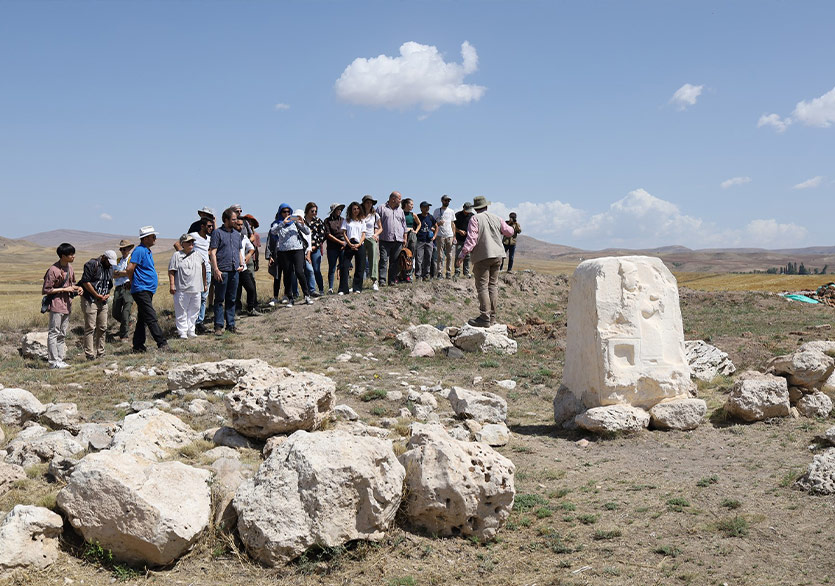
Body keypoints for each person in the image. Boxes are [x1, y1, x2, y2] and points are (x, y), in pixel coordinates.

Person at [456, 196, 516, 327]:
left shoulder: (475, 218)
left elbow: (471, 240)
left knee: (482, 287)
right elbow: (510, 232)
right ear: (486, 206)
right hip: (498, 255)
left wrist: (462, 254)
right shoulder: (497, 218)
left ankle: (484, 317)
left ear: (476, 208)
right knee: (493, 286)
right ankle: (492, 317)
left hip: (483, 256)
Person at [128, 226, 170, 352]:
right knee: (151, 316)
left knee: (143, 318)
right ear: (145, 238)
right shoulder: (139, 251)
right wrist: (132, 281)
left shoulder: (146, 250)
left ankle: (138, 345)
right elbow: (130, 268)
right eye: (153, 236)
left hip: (146, 289)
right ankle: (162, 343)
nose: (155, 239)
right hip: (141, 289)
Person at [42, 243, 83, 368]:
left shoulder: (70, 268)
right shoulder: (53, 270)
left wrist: (79, 288)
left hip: (67, 304)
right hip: (56, 304)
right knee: (54, 332)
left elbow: (72, 284)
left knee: (62, 333)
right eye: (71, 254)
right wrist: (65, 290)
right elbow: (46, 290)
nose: (73, 256)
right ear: (63, 256)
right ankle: (53, 362)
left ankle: (60, 359)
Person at [209, 207, 244, 335]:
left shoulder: (236, 234)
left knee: (232, 298)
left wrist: (242, 264)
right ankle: (218, 326)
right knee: (219, 299)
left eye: (236, 219)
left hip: (234, 270)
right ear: (226, 220)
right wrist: (216, 269)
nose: (235, 221)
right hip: (222, 270)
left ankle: (231, 325)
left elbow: (239, 250)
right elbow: (213, 252)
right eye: (233, 219)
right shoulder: (217, 233)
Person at [271, 203, 314, 306]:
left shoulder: (295, 223)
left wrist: (302, 224)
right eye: (284, 212)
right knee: (288, 274)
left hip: (297, 250)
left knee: (299, 271)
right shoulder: (277, 223)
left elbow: (307, 232)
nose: (286, 213)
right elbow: (273, 232)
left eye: (288, 212)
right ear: (280, 213)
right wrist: (283, 223)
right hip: (284, 252)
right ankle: (290, 298)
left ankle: (307, 295)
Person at [78, 249, 116, 360]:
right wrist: (96, 295)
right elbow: (86, 282)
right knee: (90, 327)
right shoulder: (91, 265)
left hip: (103, 301)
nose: (110, 265)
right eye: (109, 262)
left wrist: (107, 294)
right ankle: (89, 354)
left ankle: (101, 352)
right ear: (104, 257)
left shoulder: (109, 268)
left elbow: (109, 283)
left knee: (103, 327)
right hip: (90, 300)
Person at [169, 233, 208, 339]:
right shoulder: (177, 255)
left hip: (196, 288)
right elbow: (172, 270)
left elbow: (204, 268)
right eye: (188, 242)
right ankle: (182, 332)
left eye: (192, 242)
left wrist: (205, 283)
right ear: (182, 244)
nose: (191, 244)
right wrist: (172, 285)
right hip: (182, 288)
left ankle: (191, 329)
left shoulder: (198, 255)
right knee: (181, 310)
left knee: (194, 310)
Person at [376, 191, 407, 286]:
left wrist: (405, 238)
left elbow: (404, 225)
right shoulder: (381, 208)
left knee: (395, 261)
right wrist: (376, 234)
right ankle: (382, 280)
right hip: (385, 239)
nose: (400, 201)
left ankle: (392, 280)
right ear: (393, 199)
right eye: (399, 199)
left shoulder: (400, 210)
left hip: (398, 240)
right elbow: (376, 223)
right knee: (384, 260)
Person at [189, 217, 214, 334]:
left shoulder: (209, 239)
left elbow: (210, 251)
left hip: (207, 270)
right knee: (194, 296)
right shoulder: (193, 236)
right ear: (202, 226)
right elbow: (178, 244)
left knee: (204, 297)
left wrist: (207, 257)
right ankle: (191, 322)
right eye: (209, 226)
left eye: (212, 226)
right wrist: (187, 258)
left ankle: (199, 322)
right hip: (195, 270)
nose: (211, 228)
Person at [235, 215, 260, 316]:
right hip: (233, 268)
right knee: (236, 292)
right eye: (238, 225)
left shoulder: (243, 237)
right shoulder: (229, 236)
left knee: (251, 288)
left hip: (243, 268)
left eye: (242, 225)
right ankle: (235, 311)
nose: (240, 227)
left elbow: (252, 248)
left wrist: (248, 255)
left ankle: (250, 308)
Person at [339, 201, 366, 294]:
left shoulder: (362, 221)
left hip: (359, 244)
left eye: (357, 208)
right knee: (344, 266)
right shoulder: (346, 221)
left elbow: (363, 234)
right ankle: (343, 289)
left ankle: (357, 288)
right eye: (354, 209)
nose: (356, 210)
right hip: (349, 244)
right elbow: (344, 233)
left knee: (360, 266)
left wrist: (359, 244)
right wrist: (349, 244)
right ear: (351, 210)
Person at [111, 239, 135, 340]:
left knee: (126, 311)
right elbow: (113, 274)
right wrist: (122, 273)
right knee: (115, 313)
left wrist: (120, 273)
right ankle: (128, 322)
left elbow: (131, 272)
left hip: (128, 287)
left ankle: (124, 335)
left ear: (129, 248)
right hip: (118, 288)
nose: (123, 250)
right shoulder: (118, 261)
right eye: (121, 249)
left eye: (125, 249)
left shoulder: (132, 259)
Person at [304, 202, 326, 296]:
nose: (314, 213)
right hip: (304, 249)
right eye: (312, 211)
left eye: (316, 211)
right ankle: (309, 291)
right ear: (307, 210)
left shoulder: (318, 221)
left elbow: (322, 235)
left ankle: (321, 290)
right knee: (307, 270)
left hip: (315, 248)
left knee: (316, 270)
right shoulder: (302, 221)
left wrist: (315, 246)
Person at [323, 203, 346, 294]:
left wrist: (344, 243)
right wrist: (340, 242)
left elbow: (346, 232)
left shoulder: (343, 220)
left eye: (340, 209)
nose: (339, 211)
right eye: (338, 209)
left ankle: (342, 287)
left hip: (343, 246)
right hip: (332, 247)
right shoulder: (327, 221)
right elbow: (328, 234)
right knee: (332, 267)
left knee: (343, 267)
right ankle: (331, 288)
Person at [361, 195, 382, 291]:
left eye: (371, 203)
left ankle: (374, 281)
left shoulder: (375, 215)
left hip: (370, 237)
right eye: (367, 202)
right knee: (360, 260)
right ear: (364, 203)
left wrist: (376, 235)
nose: (369, 204)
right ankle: (359, 282)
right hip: (361, 238)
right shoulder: (359, 214)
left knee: (373, 259)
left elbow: (380, 227)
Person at [432, 194, 456, 279]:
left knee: (449, 255)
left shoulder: (451, 211)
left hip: (449, 235)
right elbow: (433, 224)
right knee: (440, 255)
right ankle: (439, 272)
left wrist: (454, 236)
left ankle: (448, 272)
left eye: (448, 201)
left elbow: (453, 224)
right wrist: (438, 223)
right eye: (446, 200)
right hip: (440, 235)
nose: (447, 202)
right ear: (442, 201)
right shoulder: (436, 211)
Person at [415, 201, 438, 280]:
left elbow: (436, 226)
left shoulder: (431, 217)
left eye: (428, 207)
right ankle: (418, 276)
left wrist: (434, 236)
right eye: (425, 207)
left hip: (429, 241)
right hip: (420, 241)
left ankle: (426, 275)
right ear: (421, 208)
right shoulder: (418, 217)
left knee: (428, 258)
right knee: (419, 259)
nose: (427, 208)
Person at [401, 198, 421, 283]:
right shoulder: (400, 213)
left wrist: (415, 231)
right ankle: (401, 275)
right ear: (406, 204)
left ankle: (409, 275)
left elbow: (419, 223)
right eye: (411, 204)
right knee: (402, 255)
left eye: (413, 205)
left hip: (411, 234)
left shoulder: (413, 214)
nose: (412, 206)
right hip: (401, 235)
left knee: (411, 255)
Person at [454, 202, 474, 277]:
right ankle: (457, 271)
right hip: (459, 239)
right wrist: (459, 231)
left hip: (468, 240)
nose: (467, 212)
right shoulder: (457, 215)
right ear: (463, 208)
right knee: (458, 255)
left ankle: (466, 272)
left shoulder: (472, 216)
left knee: (467, 256)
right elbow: (453, 226)